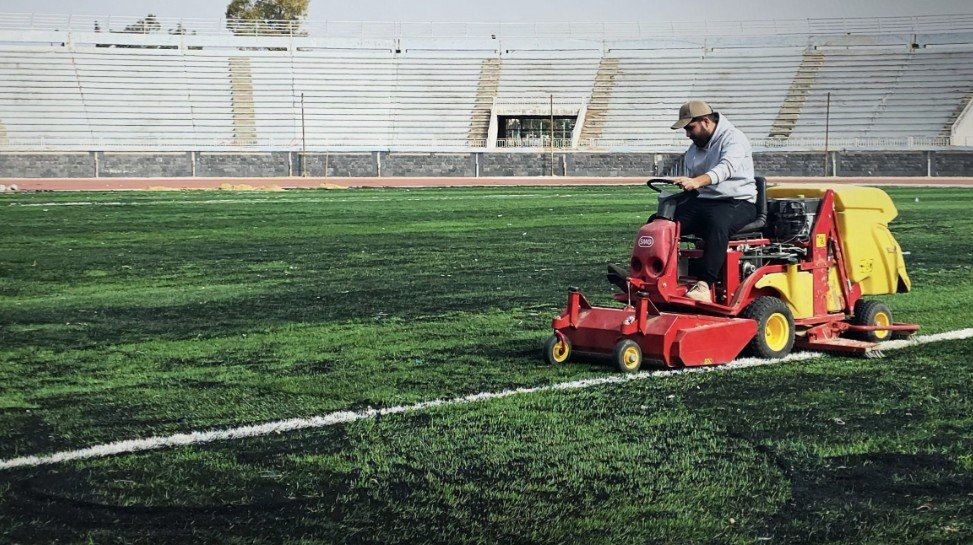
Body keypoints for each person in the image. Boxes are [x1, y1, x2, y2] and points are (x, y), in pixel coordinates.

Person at [669, 100, 757, 303]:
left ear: (705, 121)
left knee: (717, 224)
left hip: (738, 201)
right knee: (662, 222)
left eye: (690, 128)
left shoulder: (734, 139)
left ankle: (704, 285)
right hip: (705, 199)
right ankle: (654, 273)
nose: (687, 134)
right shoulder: (695, 147)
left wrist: (696, 182)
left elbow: (725, 169)